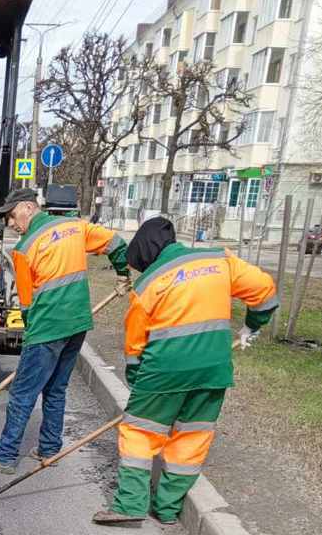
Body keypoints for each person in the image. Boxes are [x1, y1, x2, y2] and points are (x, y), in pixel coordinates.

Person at [93, 217, 278, 526]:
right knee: (191, 436)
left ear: (147, 255)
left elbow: (135, 348)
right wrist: (251, 326)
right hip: (213, 370)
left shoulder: (149, 284)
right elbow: (265, 292)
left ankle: (130, 504)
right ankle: (167, 510)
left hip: (163, 372)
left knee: (139, 433)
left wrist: (137, 387)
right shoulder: (220, 260)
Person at [0, 188, 130, 474]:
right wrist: (122, 274)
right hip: (77, 323)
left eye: (11, 216)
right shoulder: (75, 226)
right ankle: (49, 448)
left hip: (47, 327)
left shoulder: (24, 248)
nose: (10, 223)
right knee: (56, 388)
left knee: (23, 392)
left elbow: (26, 305)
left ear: (28, 208)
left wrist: (31, 339)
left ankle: (5, 456)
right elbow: (117, 244)